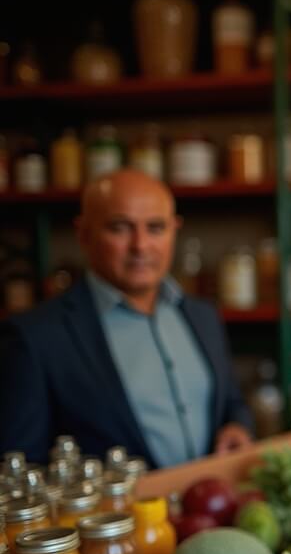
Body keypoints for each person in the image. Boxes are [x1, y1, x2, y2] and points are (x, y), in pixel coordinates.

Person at [0, 170, 254, 467]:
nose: (141, 246)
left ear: (175, 229)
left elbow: (231, 402)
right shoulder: (35, 337)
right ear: (84, 234)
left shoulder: (203, 315)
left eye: (156, 228)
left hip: (209, 507)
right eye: (120, 228)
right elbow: (19, 469)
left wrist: (237, 426)